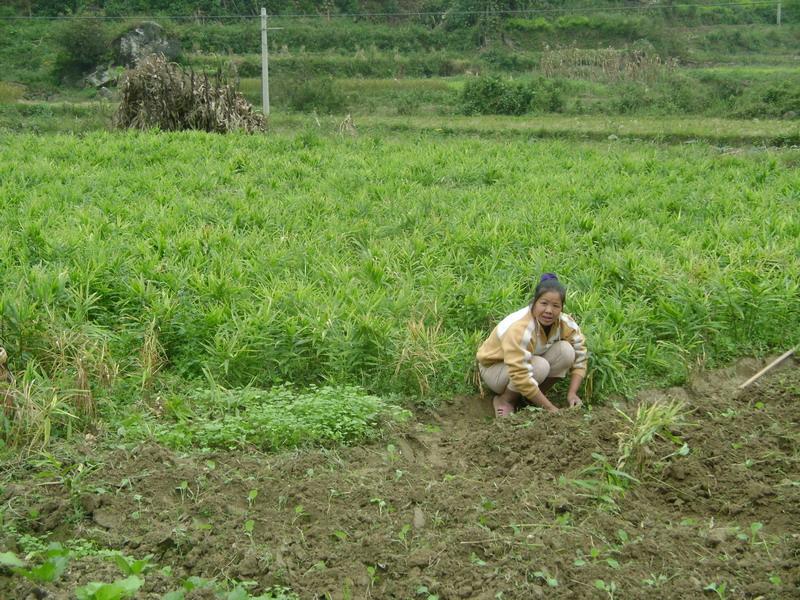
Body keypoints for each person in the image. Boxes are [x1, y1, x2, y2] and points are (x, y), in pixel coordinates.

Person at [476, 273, 588, 417]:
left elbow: (580, 355)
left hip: (527, 362)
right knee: (540, 366)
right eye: (543, 303)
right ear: (534, 302)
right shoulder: (520, 328)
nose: (549, 310)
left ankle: (531, 398)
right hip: (494, 368)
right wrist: (551, 409)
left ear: (562, 308)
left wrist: (572, 393)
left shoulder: (565, 323)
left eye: (555, 306)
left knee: (567, 352)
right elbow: (520, 373)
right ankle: (505, 400)